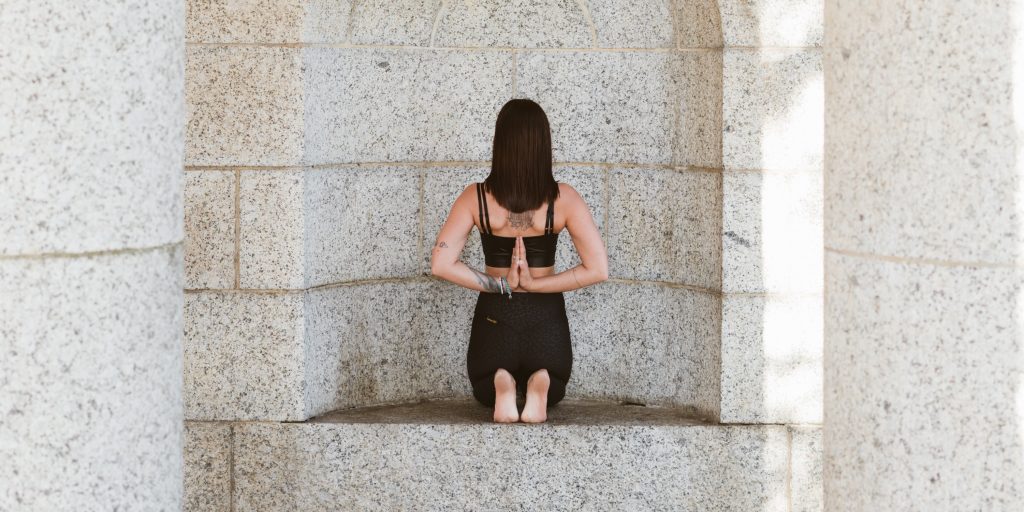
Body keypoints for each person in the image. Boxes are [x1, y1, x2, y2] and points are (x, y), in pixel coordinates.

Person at [429, 98, 609, 424]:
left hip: (496, 316)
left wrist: (500, 285)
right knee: (555, 383)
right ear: (543, 145)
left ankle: (501, 382)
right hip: (546, 319)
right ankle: (540, 382)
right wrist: (535, 284)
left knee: (483, 384)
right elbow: (598, 269)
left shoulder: (476, 197)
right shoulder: (564, 199)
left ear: (500, 144)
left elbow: (441, 263)